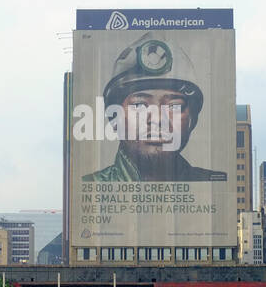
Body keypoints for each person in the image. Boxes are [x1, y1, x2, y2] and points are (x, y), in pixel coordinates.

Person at [83, 33, 228, 182]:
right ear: (114, 118)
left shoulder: (213, 184)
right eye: (139, 105)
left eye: (174, 106)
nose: (158, 119)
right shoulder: (91, 185)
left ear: (192, 120)